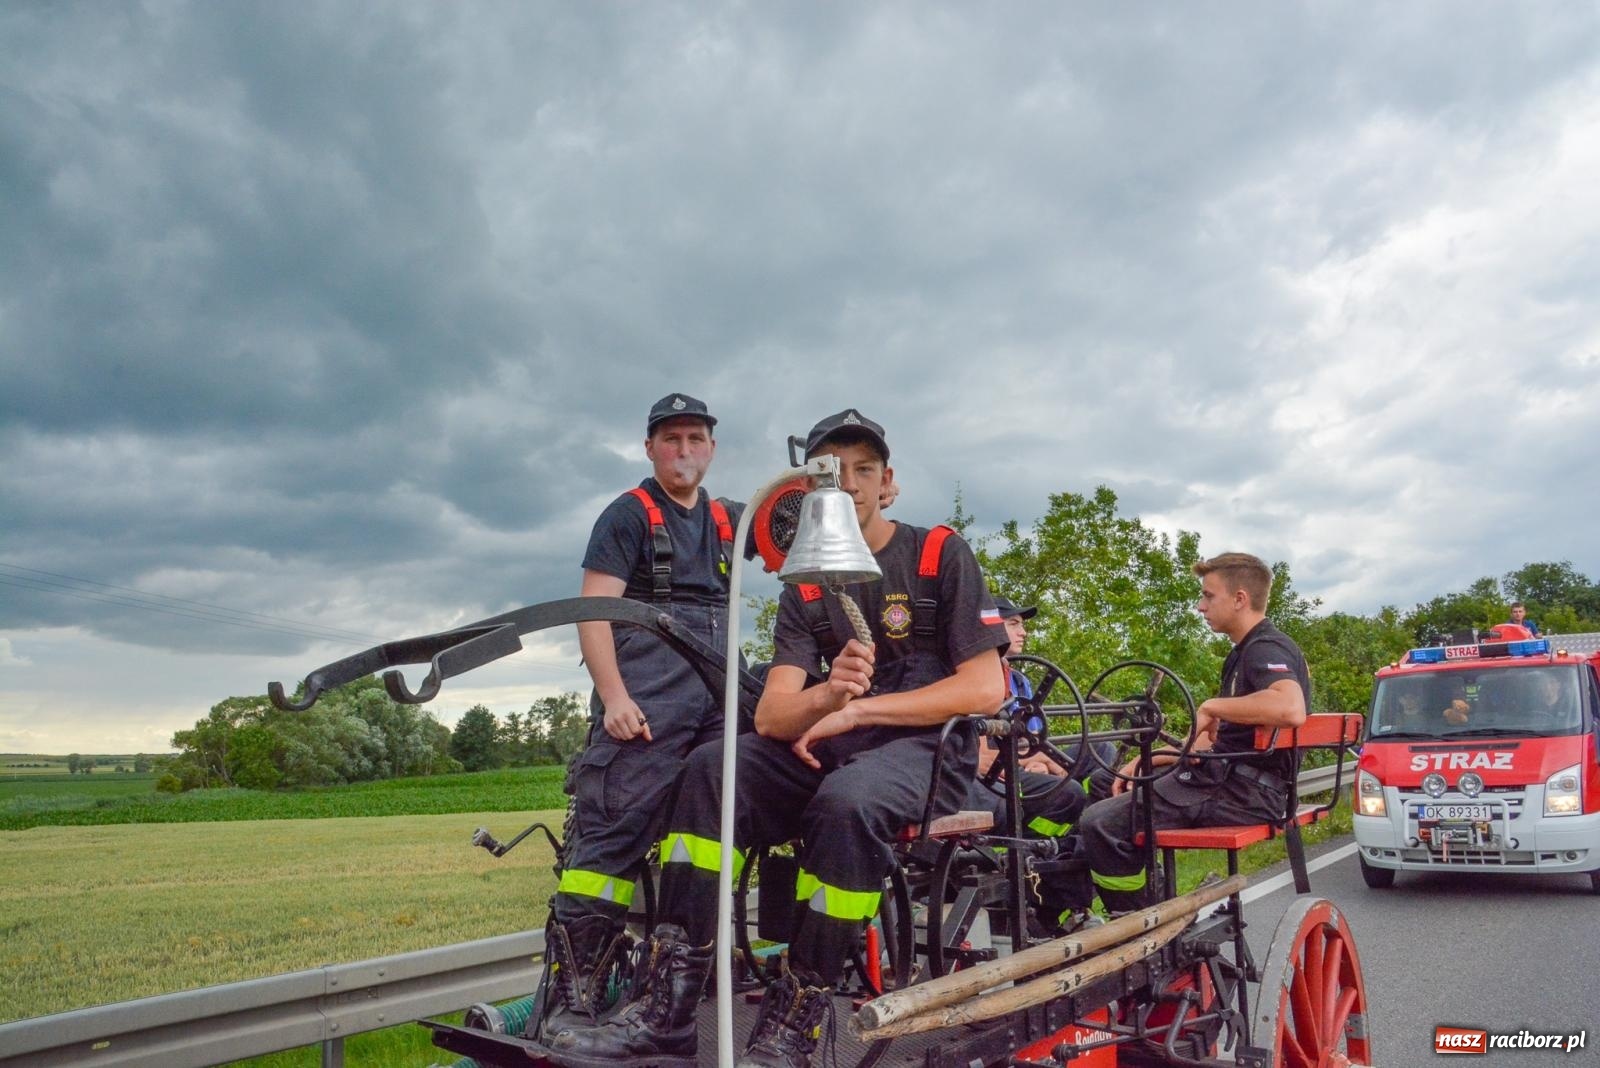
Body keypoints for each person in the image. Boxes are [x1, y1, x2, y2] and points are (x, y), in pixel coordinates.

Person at [539, 409, 1009, 1068]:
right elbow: (773, 716)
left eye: (864, 470)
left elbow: (985, 688)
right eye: (831, 472)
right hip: (835, 746)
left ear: (888, 484)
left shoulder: (938, 554)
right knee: (713, 768)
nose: (848, 483)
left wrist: (859, 713)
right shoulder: (807, 585)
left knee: (847, 803)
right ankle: (670, 1009)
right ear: (808, 490)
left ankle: (795, 1018)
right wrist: (828, 697)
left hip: (925, 753)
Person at [537, 392, 744, 1039]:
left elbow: (800, 526)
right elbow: (593, 612)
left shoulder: (730, 520)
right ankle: (573, 1000)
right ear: (650, 447)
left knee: (707, 832)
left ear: (712, 448)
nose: (684, 450)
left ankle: (668, 995)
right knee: (611, 836)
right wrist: (615, 697)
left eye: (695, 438)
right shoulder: (627, 515)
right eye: (671, 439)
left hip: (720, 697)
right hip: (649, 697)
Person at [1078, 552, 1309, 913]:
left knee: (1100, 823)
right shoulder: (1243, 653)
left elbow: (1290, 708)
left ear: (1240, 599)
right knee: (1104, 782)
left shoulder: (1265, 647)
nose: (1201, 606)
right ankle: (1152, 895)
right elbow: (1221, 742)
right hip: (1228, 778)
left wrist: (1212, 706)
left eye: (1208, 596)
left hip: (1245, 793)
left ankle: (1144, 924)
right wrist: (1157, 758)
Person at [965, 595, 1093, 934]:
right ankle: (1044, 869)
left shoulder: (1018, 680)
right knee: (1069, 794)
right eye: (1014, 624)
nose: (1023, 632)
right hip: (990, 777)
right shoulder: (973, 678)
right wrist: (1034, 763)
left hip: (1016, 764)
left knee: (1100, 757)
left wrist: (1044, 763)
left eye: (1022, 624)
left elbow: (1032, 740)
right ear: (990, 629)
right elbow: (980, 759)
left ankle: (1052, 859)